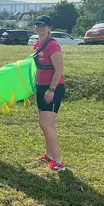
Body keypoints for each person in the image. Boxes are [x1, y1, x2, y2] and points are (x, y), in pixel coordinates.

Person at [32, 15, 66, 172]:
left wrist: (51, 89)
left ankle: (58, 162)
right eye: (38, 25)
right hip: (41, 87)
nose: (40, 28)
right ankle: (49, 155)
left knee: (46, 124)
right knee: (48, 124)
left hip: (52, 88)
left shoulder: (52, 45)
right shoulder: (38, 44)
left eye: (43, 26)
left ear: (49, 28)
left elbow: (59, 69)